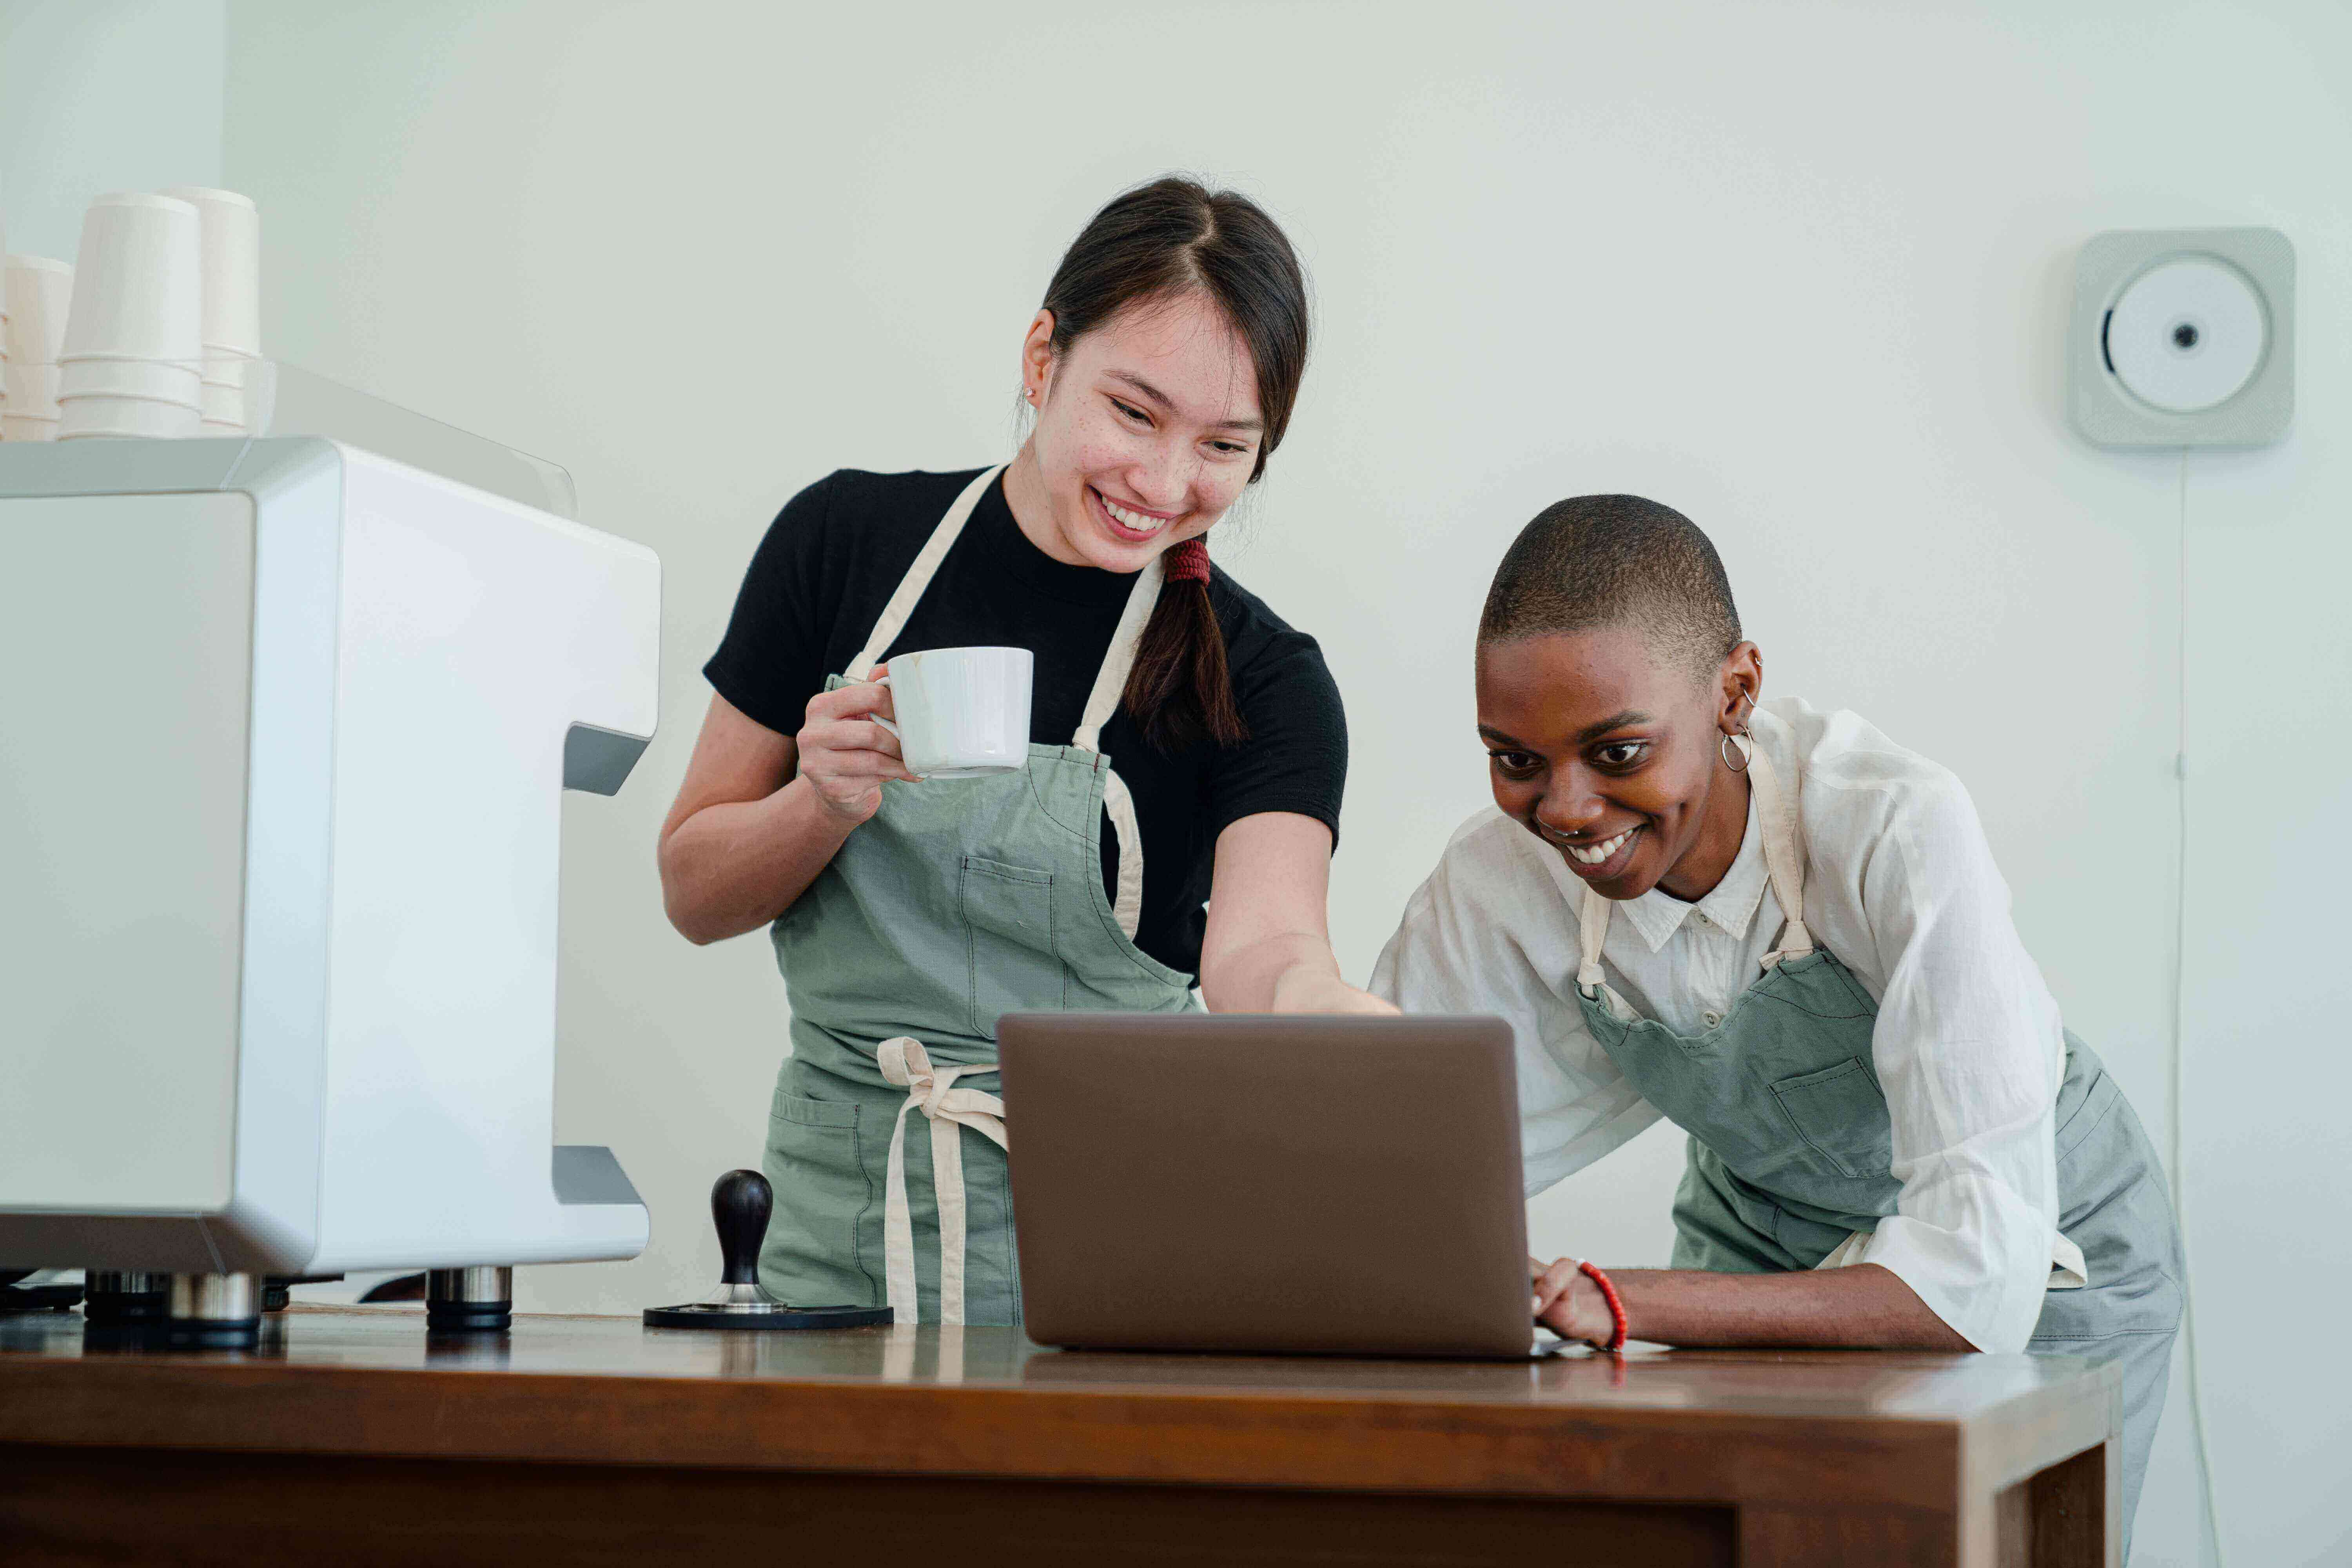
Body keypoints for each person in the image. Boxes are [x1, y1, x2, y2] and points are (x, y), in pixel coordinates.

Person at [659, 176, 1388, 1329]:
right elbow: (693, 891)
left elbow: (1267, 950)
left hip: (1123, 1265)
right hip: (840, 1248)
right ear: (1043, 357)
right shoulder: (843, 545)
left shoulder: (1266, 678)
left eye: (1224, 445)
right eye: (1135, 413)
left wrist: (1341, 1017)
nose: (1161, 483)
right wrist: (819, 802)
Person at [1372, 495, 2183, 1528]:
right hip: (1761, 1235)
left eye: (1617, 752)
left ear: (1736, 691)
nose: (1566, 810)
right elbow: (1391, 1178)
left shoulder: (1893, 825)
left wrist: (1627, 1304)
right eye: (1516, 760)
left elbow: (1975, 1283)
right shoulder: (1500, 883)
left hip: (2047, 1247)